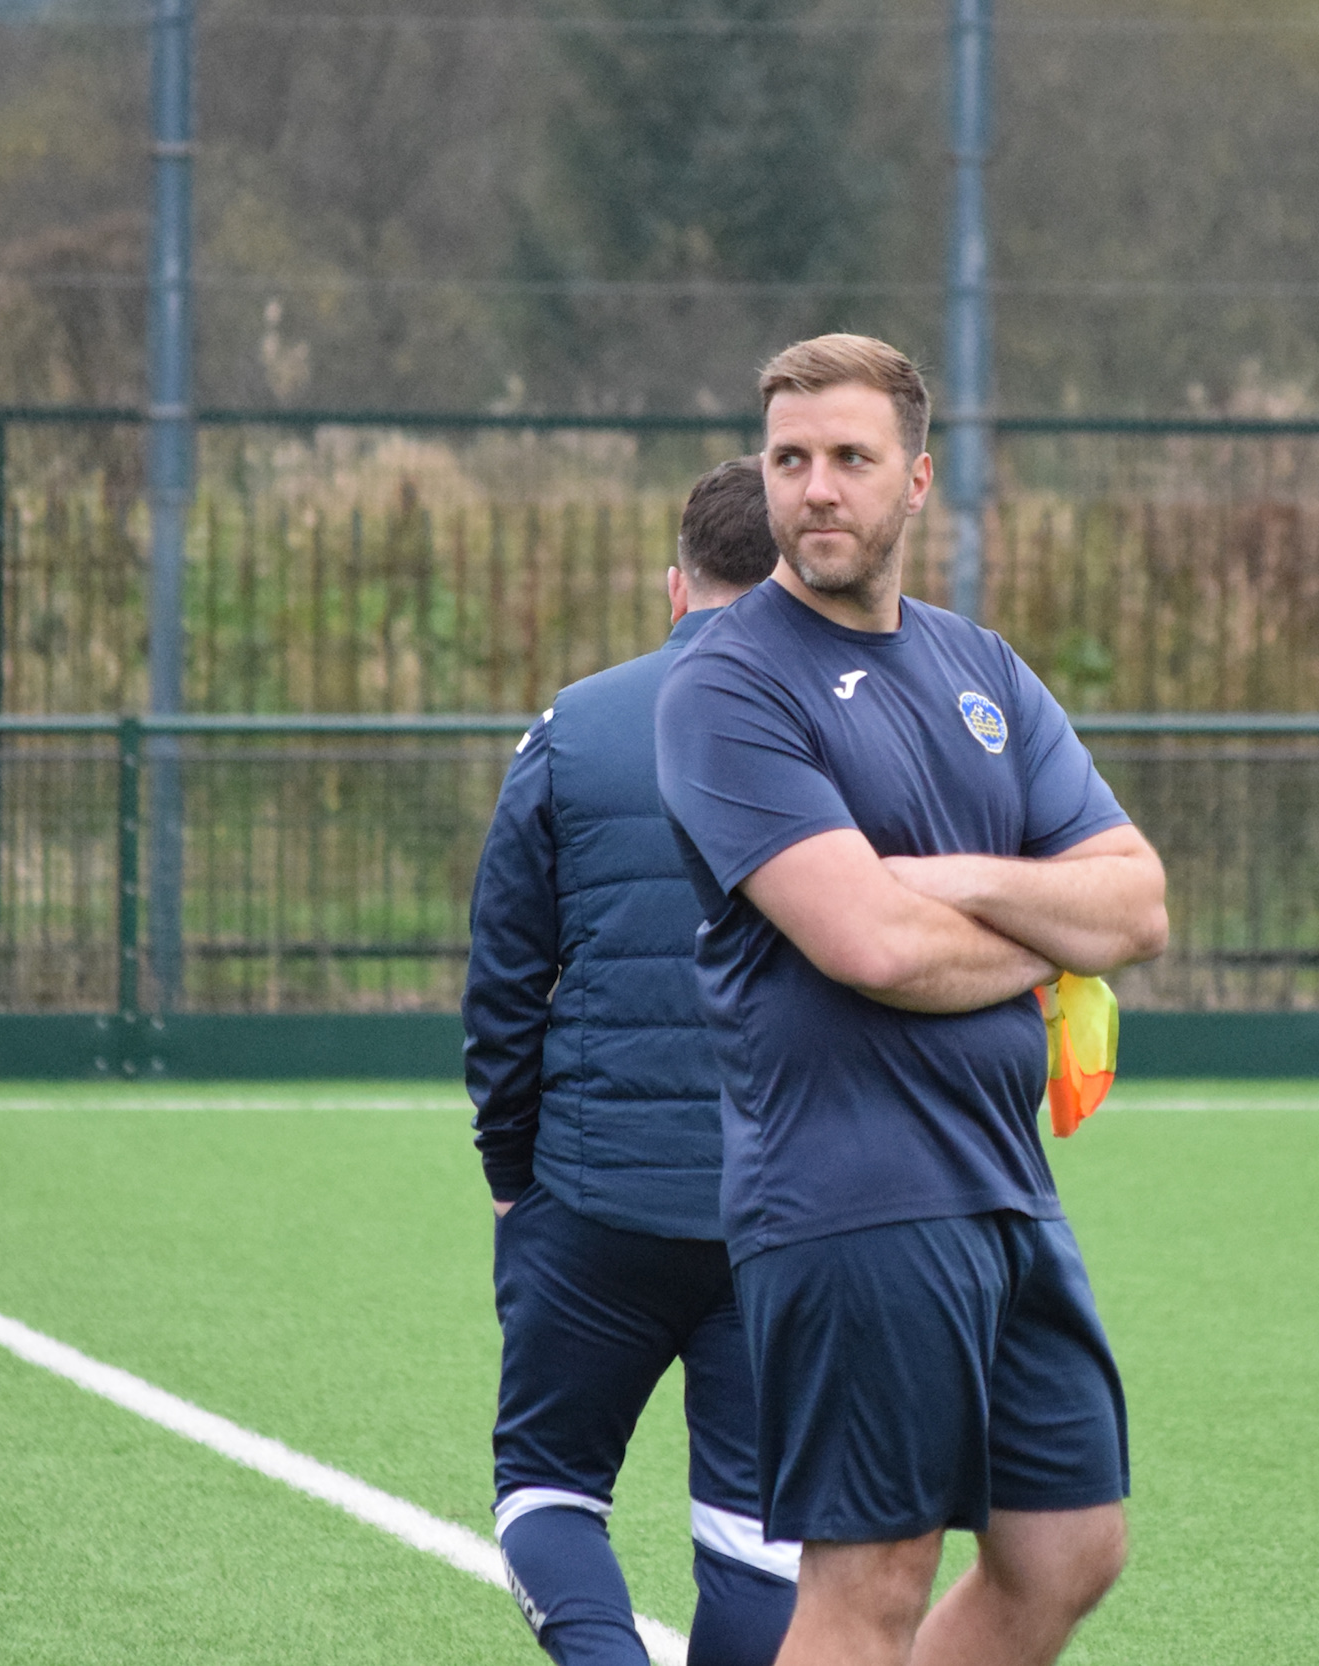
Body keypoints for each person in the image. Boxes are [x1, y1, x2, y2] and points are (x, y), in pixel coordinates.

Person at [654, 335, 1169, 1666]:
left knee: (1067, 1547)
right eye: (789, 459)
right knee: (870, 1585)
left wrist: (963, 881)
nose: (816, 488)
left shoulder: (979, 665)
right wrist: (1048, 933)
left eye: (850, 457)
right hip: (852, 1192)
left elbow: (1137, 903)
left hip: (1003, 1181)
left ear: (918, 478)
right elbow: (871, 945)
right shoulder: (726, 679)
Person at [465, 457, 801, 1666]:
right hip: (784, 1207)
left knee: (546, 1489)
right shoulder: (851, 730)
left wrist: (510, 1170)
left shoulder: (577, 726)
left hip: (592, 1196)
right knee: (758, 1537)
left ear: (675, 584)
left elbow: (505, 978)